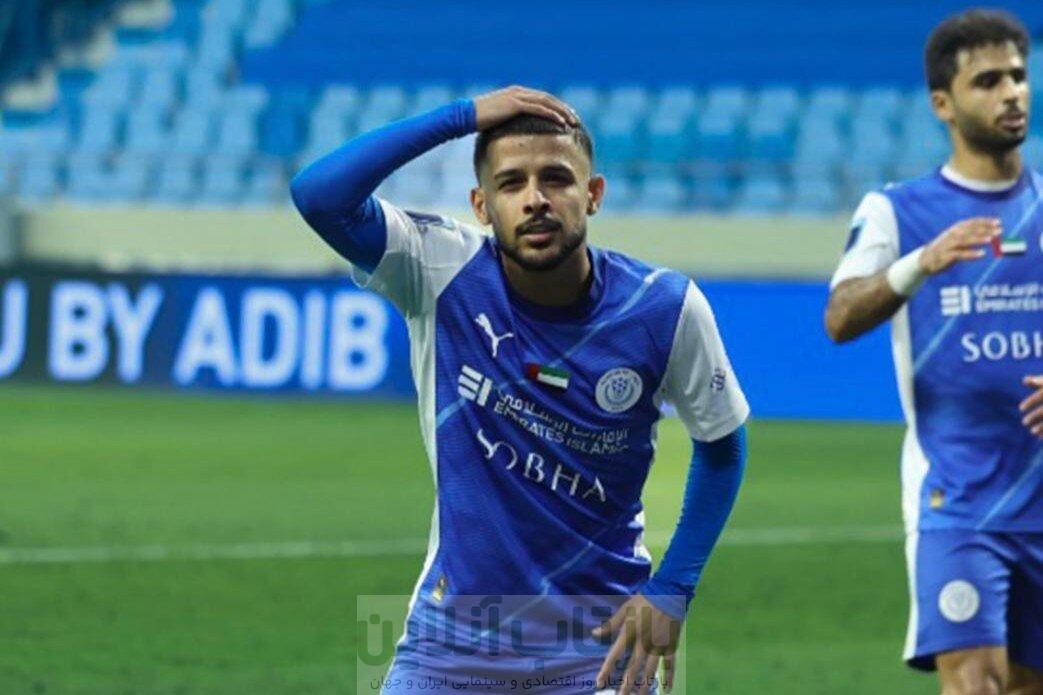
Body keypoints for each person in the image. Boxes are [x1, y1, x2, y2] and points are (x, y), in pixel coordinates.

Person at [291, 86, 749, 694]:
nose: (535, 199)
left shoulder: (663, 308)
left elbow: (722, 446)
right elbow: (320, 196)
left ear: (594, 194)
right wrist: (462, 117)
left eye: (556, 179)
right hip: (447, 645)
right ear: (481, 205)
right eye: (511, 184)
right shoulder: (439, 270)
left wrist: (673, 589)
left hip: (600, 647)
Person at [825, 9, 1043, 694]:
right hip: (956, 498)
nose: (1011, 92)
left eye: (1017, 76)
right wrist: (917, 264)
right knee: (975, 683)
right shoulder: (897, 210)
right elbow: (839, 316)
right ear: (942, 104)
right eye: (988, 81)